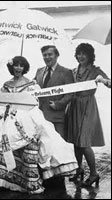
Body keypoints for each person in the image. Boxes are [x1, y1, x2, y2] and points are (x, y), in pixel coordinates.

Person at [0, 56, 78, 194]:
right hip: (6, 113)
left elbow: (34, 104)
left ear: (24, 68)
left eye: (21, 66)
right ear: (11, 67)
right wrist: (1, 111)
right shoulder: (6, 85)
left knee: (42, 133)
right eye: (15, 65)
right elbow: (0, 102)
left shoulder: (31, 85)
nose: (18, 68)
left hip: (25, 113)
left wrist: (18, 110)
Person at [65, 43, 111, 187]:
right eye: (79, 53)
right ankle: (79, 169)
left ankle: (94, 173)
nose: (81, 56)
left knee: (84, 143)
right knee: (75, 141)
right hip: (73, 106)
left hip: (87, 106)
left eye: (84, 53)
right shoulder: (73, 71)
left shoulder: (95, 70)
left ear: (90, 55)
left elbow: (110, 83)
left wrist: (103, 80)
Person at [34, 45, 74, 138]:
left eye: (50, 54)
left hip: (57, 117)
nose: (47, 57)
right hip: (40, 117)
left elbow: (70, 93)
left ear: (57, 55)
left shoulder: (66, 72)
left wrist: (58, 104)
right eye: (44, 55)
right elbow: (33, 88)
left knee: (58, 145)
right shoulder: (39, 71)